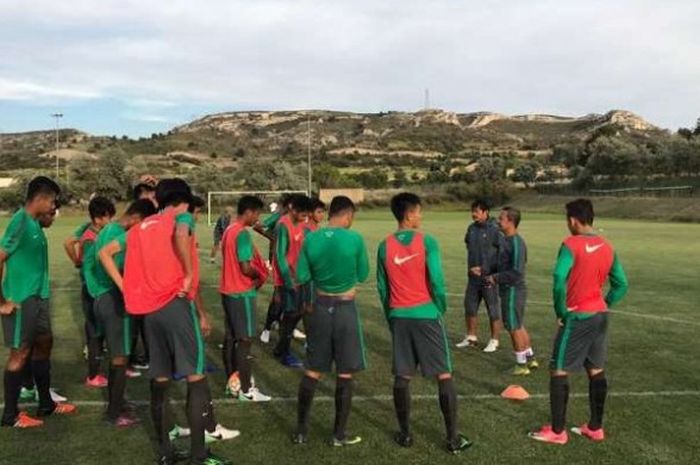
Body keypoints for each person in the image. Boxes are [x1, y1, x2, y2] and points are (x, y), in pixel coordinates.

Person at [123, 179, 231, 465]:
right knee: (196, 379)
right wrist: (186, 273)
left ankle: (166, 454)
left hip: (150, 312)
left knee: (160, 381)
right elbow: (182, 234)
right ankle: (198, 455)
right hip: (175, 305)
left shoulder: (138, 229)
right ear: (183, 200)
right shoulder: (180, 217)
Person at [377, 193, 472, 453]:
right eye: (419, 211)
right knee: (444, 374)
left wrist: (391, 315)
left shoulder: (384, 246)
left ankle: (405, 434)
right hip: (426, 315)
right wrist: (438, 307)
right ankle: (453, 439)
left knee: (402, 375)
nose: (421, 216)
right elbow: (437, 281)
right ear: (409, 214)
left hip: (399, 316)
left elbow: (382, 288)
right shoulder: (427, 241)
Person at [529, 199, 628, 445]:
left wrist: (561, 311)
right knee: (595, 368)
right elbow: (622, 284)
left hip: (578, 316)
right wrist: (605, 302)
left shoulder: (570, 244)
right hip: (600, 315)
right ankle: (595, 427)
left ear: (573, 220)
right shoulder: (608, 246)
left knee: (558, 368)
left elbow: (558, 278)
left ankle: (558, 431)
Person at [1, 176, 77, 429]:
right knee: (19, 353)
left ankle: (46, 403)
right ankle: (11, 415)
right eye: (53, 201)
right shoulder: (20, 222)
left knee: (44, 344)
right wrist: (2, 301)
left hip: (39, 298)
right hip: (22, 300)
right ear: (41, 198)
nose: (54, 207)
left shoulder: (35, 225)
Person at [293, 196, 369, 446]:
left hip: (320, 307)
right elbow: (363, 274)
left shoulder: (311, 237)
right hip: (345, 308)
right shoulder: (354, 238)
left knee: (313, 370)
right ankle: (338, 434)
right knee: (345, 373)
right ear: (347, 215)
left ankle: (301, 430)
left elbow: (302, 274)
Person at [89, 199, 157, 427]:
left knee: (119, 354)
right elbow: (107, 259)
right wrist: (126, 287)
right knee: (120, 356)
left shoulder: (109, 229)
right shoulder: (119, 232)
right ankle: (114, 413)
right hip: (113, 299)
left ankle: (118, 403)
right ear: (137, 218)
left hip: (103, 297)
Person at [219, 196, 271, 401]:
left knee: (231, 337)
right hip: (241, 292)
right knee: (245, 340)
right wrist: (260, 274)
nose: (257, 218)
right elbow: (245, 267)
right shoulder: (241, 234)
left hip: (228, 291)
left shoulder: (228, 231)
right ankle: (246, 389)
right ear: (249, 212)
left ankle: (233, 382)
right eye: (257, 213)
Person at [64, 196, 116, 388]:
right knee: (95, 333)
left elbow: (70, 244)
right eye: (108, 217)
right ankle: (93, 375)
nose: (110, 221)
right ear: (98, 218)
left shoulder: (90, 231)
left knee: (99, 333)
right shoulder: (92, 239)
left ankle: (99, 371)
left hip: (95, 290)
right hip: (93, 291)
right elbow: (89, 262)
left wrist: (78, 261)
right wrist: (79, 261)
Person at [484, 207, 538, 375]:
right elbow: (503, 265)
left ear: (511, 222)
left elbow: (516, 271)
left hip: (513, 290)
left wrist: (495, 278)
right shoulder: (505, 240)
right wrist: (487, 271)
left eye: (501, 218)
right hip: (509, 289)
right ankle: (530, 358)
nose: (498, 221)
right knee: (518, 324)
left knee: (512, 326)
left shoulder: (516, 242)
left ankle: (521, 365)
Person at [456, 198, 503, 353]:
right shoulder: (471, 228)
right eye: (472, 211)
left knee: (493, 309)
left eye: (476, 211)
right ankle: (471, 337)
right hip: (473, 278)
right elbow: (468, 245)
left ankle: (494, 340)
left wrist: (485, 269)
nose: (473, 214)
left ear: (485, 212)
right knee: (470, 307)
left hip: (489, 277)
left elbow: (502, 254)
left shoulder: (495, 229)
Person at [271, 195, 311, 368]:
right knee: (290, 315)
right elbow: (279, 254)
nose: (304, 216)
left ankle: (281, 348)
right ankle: (283, 352)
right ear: (292, 209)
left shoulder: (304, 226)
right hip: (288, 279)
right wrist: (288, 280)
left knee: (300, 312)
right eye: (302, 213)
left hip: (301, 277)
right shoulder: (283, 225)